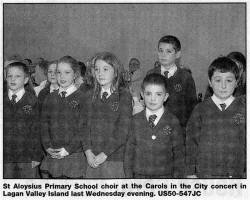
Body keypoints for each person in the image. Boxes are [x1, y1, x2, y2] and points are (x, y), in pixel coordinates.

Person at [186, 57, 246, 178]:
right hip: (205, 174)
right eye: (218, 80)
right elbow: (191, 143)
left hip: (235, 175)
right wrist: (190, 172)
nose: (223, 86)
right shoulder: (200, 110)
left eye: (229, 81)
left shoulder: (244, 109)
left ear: (237, 82)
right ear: (210, 82)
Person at [124, 73, 185, 178]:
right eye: (148, 94)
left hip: (165, 179)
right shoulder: (135, 120)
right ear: (142, 94)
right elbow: (129, 153)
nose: (153, 99)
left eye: (158, 94)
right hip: (139, 178)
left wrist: (176, 182)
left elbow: (179, 155)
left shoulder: (173, 121)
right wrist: (129, 179)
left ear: (165, 97)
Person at [85, 52, 132, 178]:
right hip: (92, 158)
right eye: (97, 69)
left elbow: (123, 130)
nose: (100, 73)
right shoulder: (89, 95)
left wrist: (105, 154)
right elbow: (84, 127)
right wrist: (88, 152)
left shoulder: (124, 95)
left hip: (114, 158)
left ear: (116, 72)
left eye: (105, 69)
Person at [40, 56, 88, 178]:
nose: (62, 77)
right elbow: (44, 125)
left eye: (67, 73)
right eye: (59, 73)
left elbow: (84, 128)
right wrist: (47, 146)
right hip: (54, 154)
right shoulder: (50, 98)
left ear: (75, 74)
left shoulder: (83, 98)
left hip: (74, 156)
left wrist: (67, 150)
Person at [147, 35, 197, 129]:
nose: (163, 55)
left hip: (177, 130)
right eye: (160, 51)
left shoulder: (185, 77)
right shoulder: (151, 74)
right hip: (154, 128)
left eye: (168, 51)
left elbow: (192, 108)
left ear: (177, 54)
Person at [4, 61, 42, 178]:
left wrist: (36, 156)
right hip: (5, 156)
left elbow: (37, 131)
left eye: (17, 76)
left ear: (26, 80)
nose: (13, 79)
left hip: (27, 157)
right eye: (10, 76)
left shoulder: (33, 101)